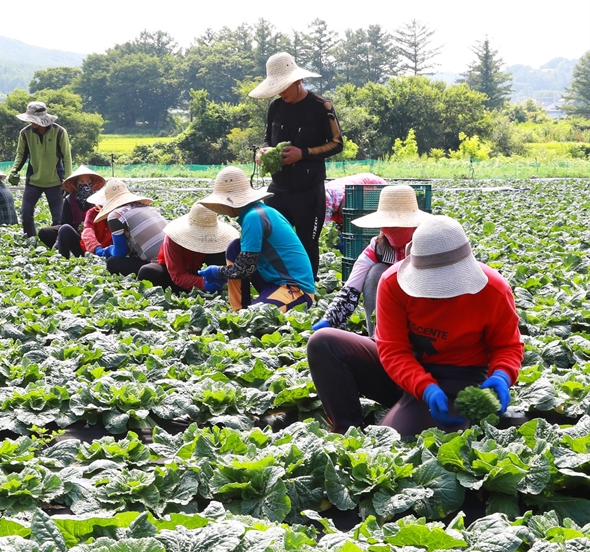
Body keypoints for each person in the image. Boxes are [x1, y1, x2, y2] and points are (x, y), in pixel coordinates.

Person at [307, 215, 524, 436]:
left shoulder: (493, 289)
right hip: (402, 369)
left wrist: (501, 375)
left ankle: (419, 413)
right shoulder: (393, 282)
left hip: (458, 378)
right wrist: (425, 388)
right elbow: (393, 350)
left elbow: (507, 346)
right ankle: (347, 432)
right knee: (323, 343)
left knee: (396, 446)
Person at [250, 52, 344, 279]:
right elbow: (267, 138)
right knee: (271, 239)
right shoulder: (275, 107)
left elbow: (337, 144)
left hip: (308, 190)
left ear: (298, 80)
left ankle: (307, 292)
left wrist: (303, 154)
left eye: (284, 86)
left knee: (307, 244)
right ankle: (279, 285)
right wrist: (263, 151)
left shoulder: (321, 106)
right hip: (278, 188)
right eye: (277, 87)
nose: (281, 91)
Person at [314, 185, 430, 335]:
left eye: (394, 225)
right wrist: (330, 319)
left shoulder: (429, 244)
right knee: (377, 271)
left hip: (425, 312)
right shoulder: (378, 246)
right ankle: (377, 337)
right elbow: (352, 287)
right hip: (391, 311)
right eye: (384, 224)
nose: (387, 230)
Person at [197, 166, 315, 312]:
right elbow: (246, 262)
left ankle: (246, 311)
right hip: (271, 282)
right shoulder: (257, 212)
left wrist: (217, 272)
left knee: (256, 320)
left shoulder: (254, 217)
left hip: (296, 290)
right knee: (235, 248)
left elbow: (245, 268)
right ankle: (239, 309)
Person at [7, 101, 73, 239]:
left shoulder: (59, 132)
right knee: (25, 214)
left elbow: (67, 157)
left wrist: (68, 181)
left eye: (34, 120)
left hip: (55, 182)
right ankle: (31, 240)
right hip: (33, 181)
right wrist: (14, 171)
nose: (32, 123)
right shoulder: (25, 133)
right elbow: (21, 154)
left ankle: (56, 243)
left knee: (58, 218)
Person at [137, 203, 237, 293]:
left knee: (222, 259)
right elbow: (177, 275)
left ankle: (214, 286)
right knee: (148, 271)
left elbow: (233, 268)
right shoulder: (173, 238)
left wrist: (220, 276)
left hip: (200, 271)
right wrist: (202, 284)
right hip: (173, 275)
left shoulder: (218, 238)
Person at [94, 179, 167, 277]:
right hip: (173, 260)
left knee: (112, 262)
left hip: (159, 265)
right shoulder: (146, 207)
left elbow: (120, 252)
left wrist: (106, 251)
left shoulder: (115, 215)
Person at [37, 165, 107, 257]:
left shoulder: (98, 200)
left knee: (65, 229)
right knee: (46, 232)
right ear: (76, 184)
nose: (85, 184)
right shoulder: (70, 199)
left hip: (92, 235)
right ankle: (64, 246)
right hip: (74, 232)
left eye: (88, 181)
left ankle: (65, 251)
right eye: (82, 181)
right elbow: (65, 222)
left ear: (92, 183)